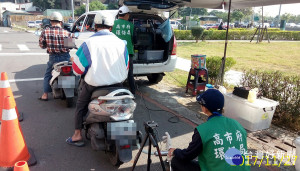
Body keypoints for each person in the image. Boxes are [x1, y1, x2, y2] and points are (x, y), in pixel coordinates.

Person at [66, 12, 129, 147]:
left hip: (94, 86)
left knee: (80, 106)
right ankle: (125, 136)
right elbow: (126, 67)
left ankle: (77, 135)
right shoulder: (121, 43)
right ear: (111, 27)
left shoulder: (88, 43)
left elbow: (77, 70)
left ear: (95, 26)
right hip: (118, 85)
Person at [168, 89, 249, 171]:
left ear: (205, 108)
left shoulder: (203, 130)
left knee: (176, 162)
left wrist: (175, 151)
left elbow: (187, 155)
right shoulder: (237, 125)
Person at [39, 12, 71, 101]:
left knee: (48, 74)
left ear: (50, 21)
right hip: (65, 57)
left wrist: (48, 45)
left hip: (53, 58)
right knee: (70, 72)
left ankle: (45, 95)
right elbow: (71, 46)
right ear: (61, 22)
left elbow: (42, 45)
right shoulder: (66, 32)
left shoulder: (45, 32)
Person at [112, 5, 136, 95]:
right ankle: (133, 92)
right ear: (126, 15)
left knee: (115, 72)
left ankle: (116, 92)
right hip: (128, 52)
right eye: (128, 15)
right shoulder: (131, 25)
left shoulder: (112, 24)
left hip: (115, 53)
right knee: (129, 74)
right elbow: (135, 39)